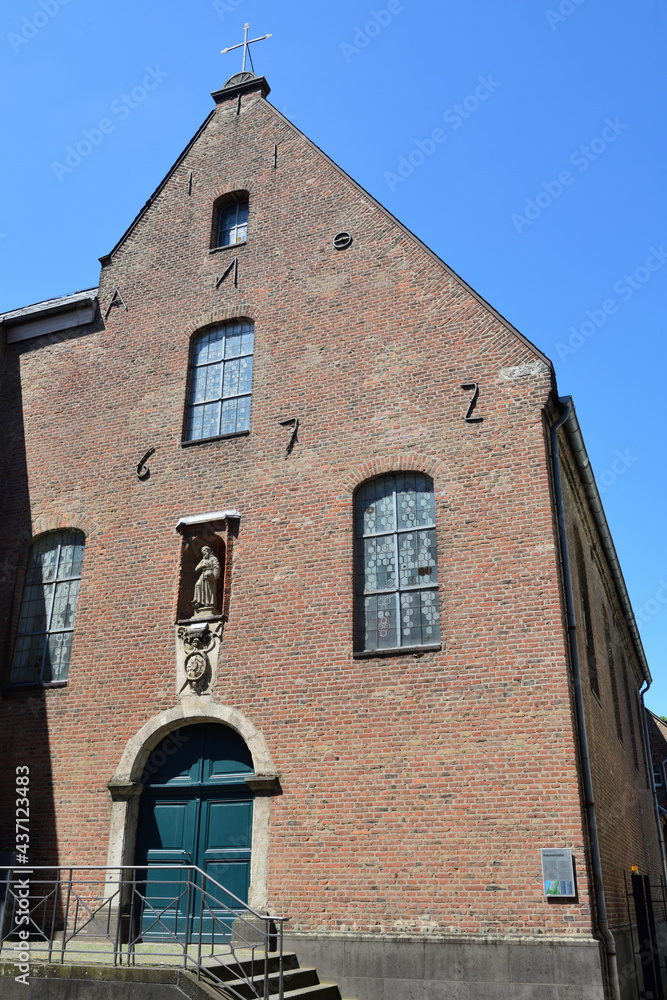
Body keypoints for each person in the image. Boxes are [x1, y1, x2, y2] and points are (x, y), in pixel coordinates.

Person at [192, 545, 220, 614]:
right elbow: (196, 569)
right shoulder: (203, 560)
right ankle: (198, 602)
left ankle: (208, 603)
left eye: (204, 551)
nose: (203, 553)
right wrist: (202, 566)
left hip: (210, 575)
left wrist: (213, 575)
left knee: (208, 589)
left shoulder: (214, 559)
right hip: (203, 575)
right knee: (198, 584)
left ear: (208, 551)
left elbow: (217, 567)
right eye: (202, 552)